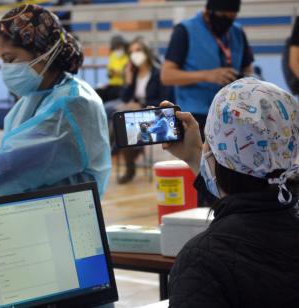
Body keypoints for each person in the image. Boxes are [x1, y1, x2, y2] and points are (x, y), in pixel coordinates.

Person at [0, 4, 112, 200]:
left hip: (68, 211)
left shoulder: (72, 104)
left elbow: (12, 164)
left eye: (10, 59)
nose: (5, 68)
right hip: (42, 207)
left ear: (43, 52)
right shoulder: (35, 97)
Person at [161, 78, 299, 307]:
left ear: (215, 156)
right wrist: (196, 155)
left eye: (209, 143)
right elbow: (254, 202)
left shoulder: (202, 261)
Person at [161, 0, 254, 137]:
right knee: (198, 158)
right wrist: (207, 76)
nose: (227, 22)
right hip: (196, 117)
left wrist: (240, 80)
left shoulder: (237, 32)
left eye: (232, 17)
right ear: (208, 11)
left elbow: (248, 69)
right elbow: (166, 75)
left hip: (233, 115)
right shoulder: (185, 30)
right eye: (223, 16)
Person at [116, 38, 172, 184]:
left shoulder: (158, 73)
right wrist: (128, 81)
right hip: (135, 116)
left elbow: (165, 99)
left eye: (138, 50)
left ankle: (129, 164)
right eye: (131, 52)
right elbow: (124, 98)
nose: (134, 54)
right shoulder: (133, 74)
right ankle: (132, 158)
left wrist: (141, 105)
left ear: (146, 52)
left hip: (155, 115)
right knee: (119, 120)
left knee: (121, 126)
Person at [95, 35, 128, 103]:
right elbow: (109, 73)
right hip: (112, 84)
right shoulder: (113, 56)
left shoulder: (128, 57)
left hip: (122, 86)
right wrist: (111, 73)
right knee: (97, 92)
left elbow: (128, 73)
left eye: (120, 46)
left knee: (113, 95)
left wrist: (118, 72)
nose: (118, 48)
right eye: (116, 46)